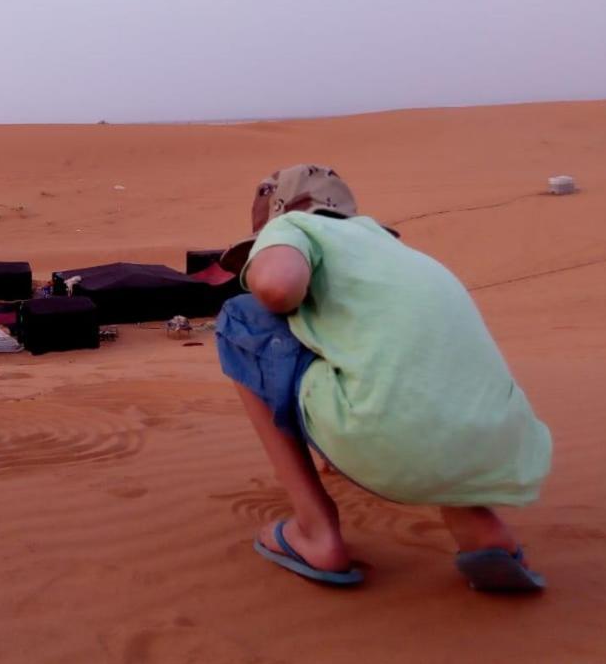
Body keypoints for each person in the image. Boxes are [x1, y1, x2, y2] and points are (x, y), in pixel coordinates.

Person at [214, 164, 551, 590]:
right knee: (402, 365)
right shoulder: (403, 258)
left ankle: (315, 531)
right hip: (498, 443)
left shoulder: (295, 225)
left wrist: (273, 267)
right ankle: (476, 523)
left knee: (241, 317)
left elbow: (277, 287)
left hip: (390, 434)